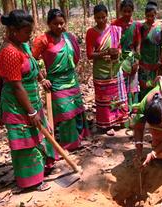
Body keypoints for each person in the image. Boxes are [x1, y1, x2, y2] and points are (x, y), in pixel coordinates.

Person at [0, 10, 56, 193]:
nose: (30, 35)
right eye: (26, 32)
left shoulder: (23, 45)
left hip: (31, 99)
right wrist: (30, 112)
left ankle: (42, 170)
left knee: (38, 136)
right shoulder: (10, 53)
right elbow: (16, 86)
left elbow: (33, 64)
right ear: (13, 30)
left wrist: (41, 79)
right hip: (17, 104)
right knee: (25, 142)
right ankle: (30, 181)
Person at [32, 9, 89, 150]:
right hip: (56, 83)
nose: (59, 27)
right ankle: (68, 144)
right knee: (65, 114)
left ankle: (79, 139)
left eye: (61, 23)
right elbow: (31, 60)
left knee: (76, 111)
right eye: (55, 24)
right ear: (48, 24)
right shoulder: (43, 40)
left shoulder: (69, 37)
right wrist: (42, 79)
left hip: (72, 79)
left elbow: (76, 56)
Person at [86, 4, 128, 135]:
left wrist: (117, 52)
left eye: (103, 17)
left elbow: (121, 47)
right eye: (98, 18)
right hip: (101, 71)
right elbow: (89, 55)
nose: (101, 20)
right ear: (94, 18)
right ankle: (106, 124)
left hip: (115, 68)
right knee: (104, 98)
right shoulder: (91, 32)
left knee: (116, 95)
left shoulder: (115, 29)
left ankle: (118, 120)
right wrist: (105, 52)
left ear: (107, 16)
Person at [112, 0, 141, 107]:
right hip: (119, 60)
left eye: (129, 11)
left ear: (132, 11)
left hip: (132, 58)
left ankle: (132, 109)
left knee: (132, 85)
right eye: (124, 11)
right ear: (120, 11)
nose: (127, 14)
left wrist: (137, 61)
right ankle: (122, 110)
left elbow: (138, 44)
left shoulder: (135, 25)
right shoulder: (115, 25)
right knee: (120, 85)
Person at [139, 1, 162, 100]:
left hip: (156, 63)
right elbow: (139, 45)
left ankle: (154, 108)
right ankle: (143, 109)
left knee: (155, 86)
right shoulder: (141, 27)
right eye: (148, 16)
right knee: (144, 86)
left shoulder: (161, 27)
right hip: (144, 63)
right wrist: (139, 62)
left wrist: (160, 60)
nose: (150, 18)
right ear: (145, 15)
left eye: (152, 16)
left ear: (156, 15)